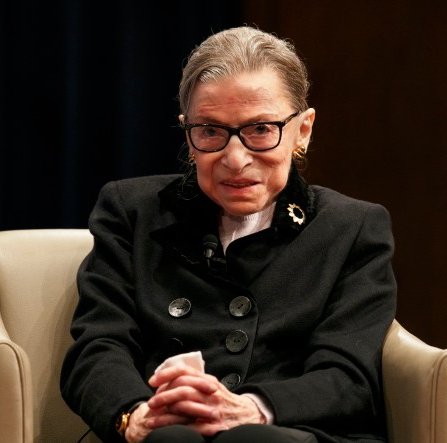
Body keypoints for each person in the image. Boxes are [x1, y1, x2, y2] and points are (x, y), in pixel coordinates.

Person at [60, 26, 397, 443]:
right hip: (161, 425)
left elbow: (348, 376)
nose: (235, 159)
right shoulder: (130, 210)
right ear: (188, 132)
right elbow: (98, 347)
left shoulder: (352, 228)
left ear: (303, 130)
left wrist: (251, 409)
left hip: (293, 431)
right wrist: (137, 414)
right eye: (211, 131)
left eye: (260, 130)